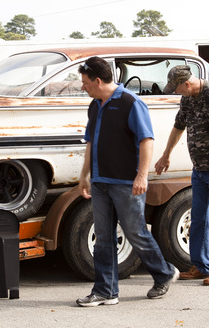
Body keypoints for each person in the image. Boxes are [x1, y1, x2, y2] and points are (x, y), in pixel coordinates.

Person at [75, 56, 179, 307]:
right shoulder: (95, 105)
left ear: (98, 81)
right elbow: (91, 141)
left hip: (125, 182)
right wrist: (84, 175)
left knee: (135, 233)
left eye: (85, 82)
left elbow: (147, 140)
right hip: (100, 182)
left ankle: (163, 272)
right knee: (103, 238)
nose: (83, 87)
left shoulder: (131, 103)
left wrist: (142, 176)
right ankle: (105, 291)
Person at [155, 65, 209, 286]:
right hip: (200, 169)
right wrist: (166, 155)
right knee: (199, 219)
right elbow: (178, 126)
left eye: (176, 88)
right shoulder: (187, 99)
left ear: (187, 83)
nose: (175, 92)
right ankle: (202, 266)